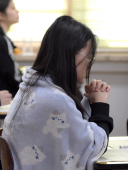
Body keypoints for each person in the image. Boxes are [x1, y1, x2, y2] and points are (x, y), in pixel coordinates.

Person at [2, 16, 113, 170]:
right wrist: (101, 104)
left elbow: (76, 134)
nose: (90, 63)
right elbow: (92, 149)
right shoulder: (55, 99)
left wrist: (90, 102)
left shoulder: (34, 87)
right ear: (69, 54)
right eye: (89, 57)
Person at [0, 0, 22, 97]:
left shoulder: (4, 38)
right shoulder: (2, 40)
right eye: (12, 8)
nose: (17, 11)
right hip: (7, 96)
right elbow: (12, 75)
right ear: (1, 15)